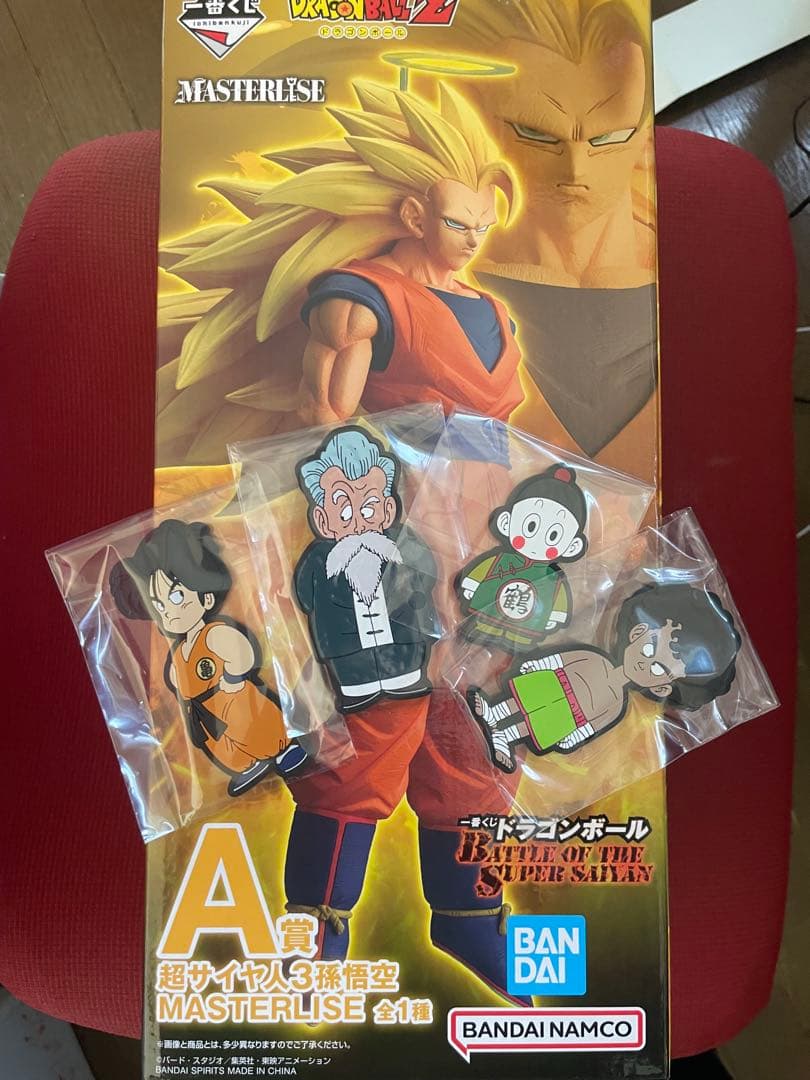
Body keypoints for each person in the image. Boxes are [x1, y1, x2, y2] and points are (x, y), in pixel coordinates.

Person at [155, 80, 523, 462]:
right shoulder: (363, 301)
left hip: (494, 484)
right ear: (414, 217)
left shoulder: (496, 314)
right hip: (394, 483)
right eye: (457, 224)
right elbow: (322, 417)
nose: (474, 241)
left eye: (483, 227)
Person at [110, 519, 307, 797]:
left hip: (235, 701)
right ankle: (247, 766)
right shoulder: (179, 653)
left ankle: (283, 750)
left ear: (207, 598)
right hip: (207, 718)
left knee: (258, 731)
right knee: (227, 749)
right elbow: (179, 683)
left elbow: (243, 653)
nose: (168, 612)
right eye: (159, 605)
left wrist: (233, 679)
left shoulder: (214, 635)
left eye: (176, 598)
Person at [470, 583, 741, 772]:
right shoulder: (594, 658)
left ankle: (505, 737)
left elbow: (594, 725)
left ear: (661, 688)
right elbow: (562, 660)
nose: (646, 663)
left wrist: (574, 737)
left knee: (534, 726)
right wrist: (538, 664)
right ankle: (495, 712)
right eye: (649, 649)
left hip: (570, 717)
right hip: (552, 683)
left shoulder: (616, 705)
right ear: (637, 633)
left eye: (659, 669)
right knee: (522, 701)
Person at [294, 428, 439, 711]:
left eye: (369, 508)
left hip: (406, 651)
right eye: (345, 512)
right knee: (355, 681)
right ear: (322, 520)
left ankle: (404, 678)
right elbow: (305, 596)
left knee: (405, 670)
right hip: (348, 663)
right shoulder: (319, 561)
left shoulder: (404, 545)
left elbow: (426, 574)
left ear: (388, 510)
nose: (359, 524)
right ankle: (359, 688)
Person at [457, 464, 588, 651]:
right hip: (489, 605)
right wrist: (472, 584)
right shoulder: (500, 558)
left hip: (527, 622)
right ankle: (485, 629)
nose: (537, 541)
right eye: (531, 526)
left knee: (523, 633)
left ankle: (519, 639)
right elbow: (482, 569)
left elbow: (559, 596)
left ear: (572, 546)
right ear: (506, 522)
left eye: (553, 536)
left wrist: (556, 614)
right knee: (486, 618)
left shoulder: (552, 576)